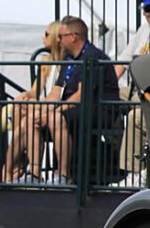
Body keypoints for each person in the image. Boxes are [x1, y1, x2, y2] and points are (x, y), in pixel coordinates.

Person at [44, 15, 120, 183]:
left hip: (98, 109)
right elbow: (57, 90)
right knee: (29, 119)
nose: (58, 40)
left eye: (61, 36)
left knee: (56, 118)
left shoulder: (93, 56)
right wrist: (40, 110)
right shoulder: (69, 59)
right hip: (74, 108)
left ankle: (62, 175)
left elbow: (82, 94)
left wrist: (55, 111)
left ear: (73, 37)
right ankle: (27, 174)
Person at [2, 21, 67, 182]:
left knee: (25, 121)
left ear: (55, 37)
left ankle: (10, 168)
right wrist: (25, 95)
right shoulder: (46, 61)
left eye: (46, 34)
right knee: (18, 108)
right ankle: (20, 161)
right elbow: (35, 90)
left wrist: (34, 102)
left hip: (57, 105)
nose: (42, 37)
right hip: (47, 103)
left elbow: (58, 95)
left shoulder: (68, 61)